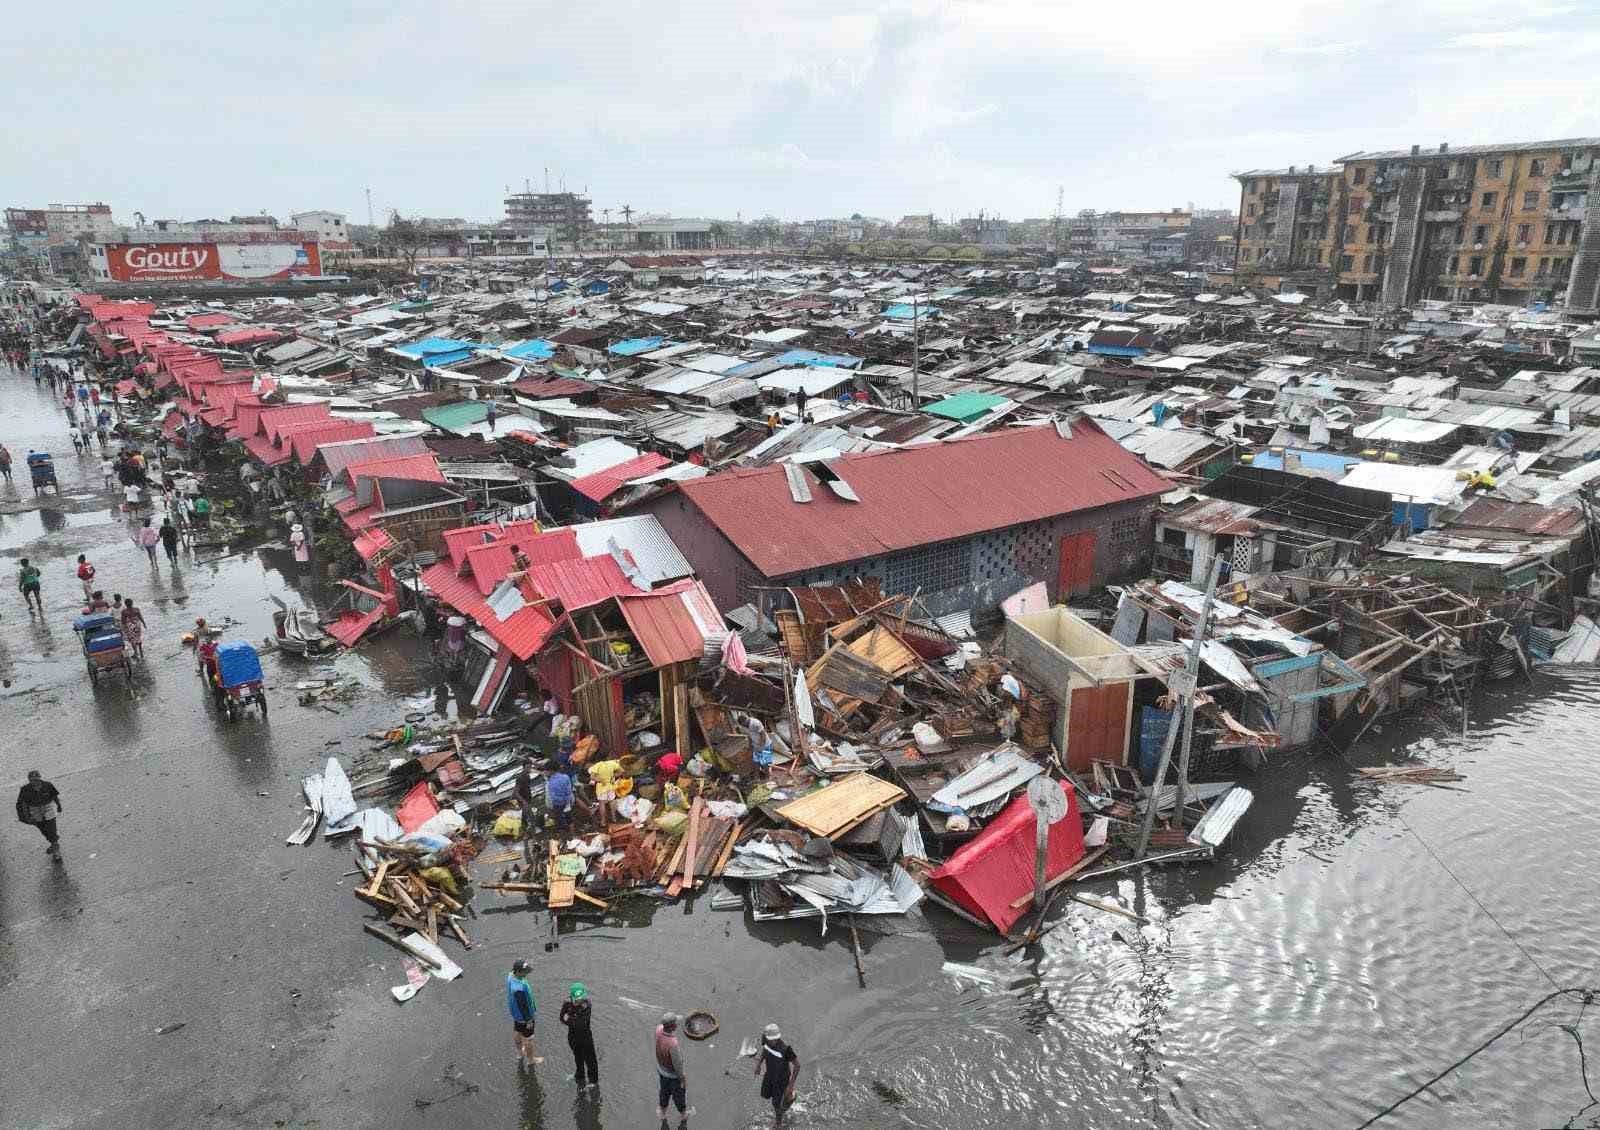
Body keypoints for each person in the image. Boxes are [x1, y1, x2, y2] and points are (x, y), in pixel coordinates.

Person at [754, 1023, 801, 1123]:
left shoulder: (786, 1050)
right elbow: (765, 1050)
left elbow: (797, 1066)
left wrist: (791, 1085)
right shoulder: (766, 1041)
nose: (772, 1041)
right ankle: (789, 1097)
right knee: (766, 1094)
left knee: (776, 1103)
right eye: (770, 1039)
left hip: (781, 1079)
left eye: (774, 1039)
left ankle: (778, 1124)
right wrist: (758, 1064)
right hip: (770, 1074)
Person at [15, 770, 63, 862]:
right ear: (29, 780)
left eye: (36, 780)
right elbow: (23, 804)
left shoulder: (48, 785)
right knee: (43, 830)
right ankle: (53, 842)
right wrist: (26, 816)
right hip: (35, 811)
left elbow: (54, 796)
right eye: (32, 780)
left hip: (48, 809)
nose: (34, 782)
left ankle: (56, 850)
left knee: (51, 829)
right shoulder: (25, 789)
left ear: (40, 779)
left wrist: (59, 806)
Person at [559, 982, 599, 1090]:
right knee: (578, 1057)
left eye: (581, 998)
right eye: (577, 998)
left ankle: (593, 1081)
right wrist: (574, 1019)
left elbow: (581, 1024)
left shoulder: (587, 1004)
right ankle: (579, 1075)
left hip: (585, 1036)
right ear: (572, 997)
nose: (580, 1000)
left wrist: (570, 1018)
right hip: (572, 1036)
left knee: (590, 1060)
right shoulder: (567, 1003)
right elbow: (562, 1018)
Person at [654, 1012, 692, 1120]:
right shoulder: (673, 1044)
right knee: (679, 1095)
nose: (677, 1024)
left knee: (664, 1091)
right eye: (675, 1022)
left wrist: (685, 1016)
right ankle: (683, 1114)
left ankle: (662, 1111)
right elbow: (678, 1065)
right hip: (673, 1076)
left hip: (661, 1070)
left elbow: (665, 1024)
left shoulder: (658, 1030)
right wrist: (682, 1078)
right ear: (673, 1026)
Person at [507, 959, 543, 1067]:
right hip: (524, 1016)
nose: (526, 973)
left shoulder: (510, 975)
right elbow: (523, 1007)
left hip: (515, 1014)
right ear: (518, 972)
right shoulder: (519, 989)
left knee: (517, 1031)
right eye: (524, 972)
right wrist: (529, 1020)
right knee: (529, 1038)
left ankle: (520, 1053)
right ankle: (531, 1060)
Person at [514, 758, 539, 865]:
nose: (529, 769)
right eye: (528, 767)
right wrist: (523, 802)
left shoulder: (527, 776)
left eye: (530, 766)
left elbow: (527, 788)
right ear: (524, 767)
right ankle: (533, 839)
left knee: (526, 817)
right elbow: (515, 792)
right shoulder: (520, 777)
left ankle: (526, 835)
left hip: (528, 799)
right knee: (531, 819)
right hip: (524, 801)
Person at [546, 766, 575, 834]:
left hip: (558, 804)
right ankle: (573, 835)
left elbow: (552, 797)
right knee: (569, 818)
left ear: (551, 771)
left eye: (546, 771)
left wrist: (550, 805)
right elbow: (569, 790)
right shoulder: (565, 777)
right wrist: (568, 800)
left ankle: (564, 836)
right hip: (567, 801)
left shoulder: (550, 782)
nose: (546, 772)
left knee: (558, 820)